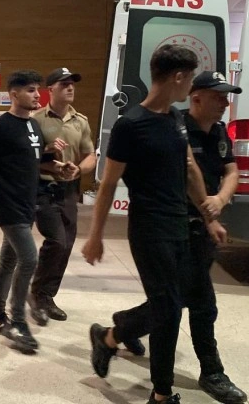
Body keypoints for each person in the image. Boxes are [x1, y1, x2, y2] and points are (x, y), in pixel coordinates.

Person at [100, 71, 247, 404]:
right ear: (196, 97)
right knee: (188, 304)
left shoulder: (219, 131)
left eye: (227, 97)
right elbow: (177, 177)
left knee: (179, 303)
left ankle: (120, 329)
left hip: (201, 228)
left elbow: (231, 171)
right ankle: (208, 373)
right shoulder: (173, 126)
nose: (225, 103)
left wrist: (219, 202)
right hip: (172, 228)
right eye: (219, 96)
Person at [82, 45, 214, 404]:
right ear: (177, 76)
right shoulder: (130, 125)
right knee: (168, 309)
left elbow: (189, 169)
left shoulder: (176, 119)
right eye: (190, 78)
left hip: (179, 225)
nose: (191, 86)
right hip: (149, 228)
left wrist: (208, 216)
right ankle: (162, 394)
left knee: (171, 302)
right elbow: (108, 184)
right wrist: (95, 236)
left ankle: (109, 336)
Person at [0, 70, 64, 352]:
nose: (37, 95)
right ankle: (17, 321)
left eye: (38, 89)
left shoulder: (33, 126)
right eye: (30, 90)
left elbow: (35, 161)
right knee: (29, 259)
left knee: (8, 260)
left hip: (28, 204)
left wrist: (59, 167)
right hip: (8, 205)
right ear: (14, 94)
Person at [27, 68, 96, 326]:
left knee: (66, 245)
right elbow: (27, 157)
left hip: (69, 191)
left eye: (72, 84)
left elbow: (90, 155)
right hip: (44, 189)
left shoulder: (81, 121)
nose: (70, 87)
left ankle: (46, 295)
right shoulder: (36, 120)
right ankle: (37, 293)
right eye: (64, 84)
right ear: (51, 90)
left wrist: (79, 169)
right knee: (56, 241)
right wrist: (50, 159)